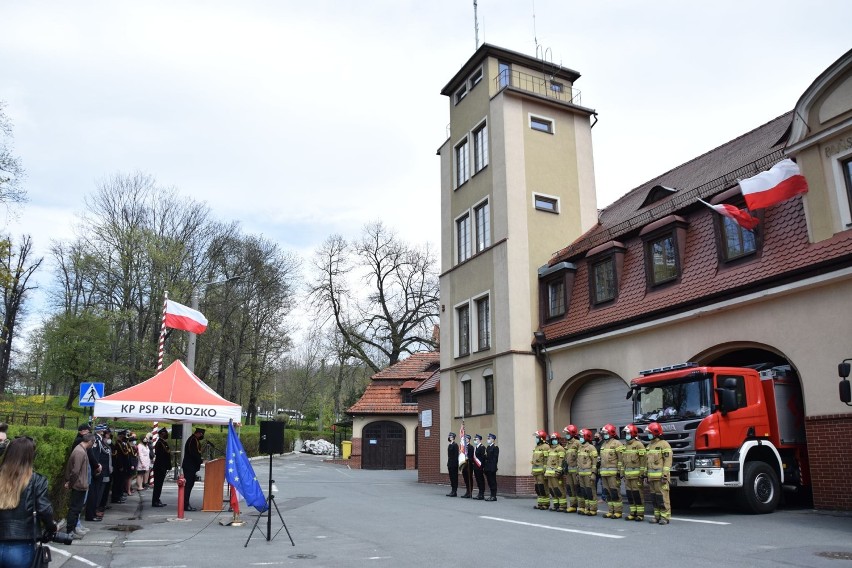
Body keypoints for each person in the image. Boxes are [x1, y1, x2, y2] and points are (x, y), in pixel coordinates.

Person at [0, 437, 57, 568]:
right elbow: (45, 510)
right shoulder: (37, 480)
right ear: (31, 456)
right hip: (21, 545)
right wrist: (51, 528)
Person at [64, 433, 94, 539]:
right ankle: (69, 531)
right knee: (74, 508)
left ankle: (72, 529)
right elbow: (75, 471)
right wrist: (71, 483)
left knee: (77, 509)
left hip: (80, 483)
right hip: (78, 484)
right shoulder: (79, 452)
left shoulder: (80, 450)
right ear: (90, 442)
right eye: (92, 443)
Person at [644, 422, 673, 525]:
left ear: (655, 433)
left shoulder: (664, 444)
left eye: (649, 432)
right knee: (654, 498)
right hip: (651, 478)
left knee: (663, 497)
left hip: (661, 478)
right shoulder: (649, 445)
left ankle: (665, 517)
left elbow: (668, 461)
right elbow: (646, 462)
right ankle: (657, 516)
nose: (648, 434)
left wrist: (665, 475)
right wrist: (646, 475)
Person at [621, 424, 646, 521]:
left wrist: (642, 474)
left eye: (627, 433)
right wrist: (622, 474)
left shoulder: (639, 445)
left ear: (632, 433)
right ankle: (632, 513)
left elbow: (643, 461)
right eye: (625, 433)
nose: (626, 435)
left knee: (637, 494)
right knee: (630, 494)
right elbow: (623, 462)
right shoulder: (625, 446)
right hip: (627, 476)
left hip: (636, 476)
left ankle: (640, 514)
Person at [85, 425, 110, 523]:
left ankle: (93, 512)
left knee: (96, 493)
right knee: (93, 493)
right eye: (103, 430)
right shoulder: (95, 440)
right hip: (96, 470)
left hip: (99, 469)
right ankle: (90, 514)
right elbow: (94, 455)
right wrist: (96, 466)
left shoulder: (99, 440)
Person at [599, 423, 624, 519]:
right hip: (604, 473)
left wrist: (619, 472)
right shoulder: (604, 444)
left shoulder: (617, 443)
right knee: (608, 492)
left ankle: (618, 511)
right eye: (603, 433)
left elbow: (621, 459)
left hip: (613, 474)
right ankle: (611, 510)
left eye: (605, 433)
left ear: (611, 433)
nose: (604, 435)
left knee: (614, 492)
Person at [577, 428, 598, 516]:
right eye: (580, 436)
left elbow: (594, 462)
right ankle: (587, 507)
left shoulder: (591, 447)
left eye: (582, 436)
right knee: (584, 492)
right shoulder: (580, 447)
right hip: (581, 473)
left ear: (586, 436)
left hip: (588, 474)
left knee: (590, 491)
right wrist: (578, 473)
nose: (580, 438)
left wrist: (593, 473)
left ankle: (593, 509)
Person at [182, 427, 205, 511]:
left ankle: (186, 503)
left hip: (191, 466)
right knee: (188, 486)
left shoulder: (194, 439)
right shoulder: (193, 440)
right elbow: (194, 453)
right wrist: (200, 461)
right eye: (201, 434)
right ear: (199, 433)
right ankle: (185, 504)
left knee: (189, 485)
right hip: (189, 466)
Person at [544, 432, 566, 511]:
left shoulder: (560, 449)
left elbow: (561, 461)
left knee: (558, 489)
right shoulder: (550, 449)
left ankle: (562, 505)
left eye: (555, 439)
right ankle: (556, 505)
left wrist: (559, 471)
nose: (554, 441)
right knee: (552, 490)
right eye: (553, 439)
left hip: (556, 474)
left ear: (558, 440)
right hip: (549, 473)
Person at [561, 424, 581, 513]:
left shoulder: (578, 443)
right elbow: (566, 457)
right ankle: (573, 505)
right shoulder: (568, 444)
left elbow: (580, 457)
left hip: (576, 471)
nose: (566, 435)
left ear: (572, 433)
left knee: (578, 488)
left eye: (567, 433)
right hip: (569, 471)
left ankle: (581, 506)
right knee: (570, 488)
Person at [151, 427, 171, 508]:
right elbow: (161, 456)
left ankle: (157, 499)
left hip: (162, 467)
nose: (166, 434)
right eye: (165, 433)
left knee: (159, 485)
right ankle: (155, 501)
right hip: (160, 467)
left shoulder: (163, 443)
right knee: (158, 485)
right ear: (162, 434)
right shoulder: (160, 443)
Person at [111, 430, 131, 504]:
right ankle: (116, 497)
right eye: (123, 436)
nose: (124, 437)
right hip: (119, 466)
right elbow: (119, 456)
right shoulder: (118, 444)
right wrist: (121, 466)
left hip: (123, 465)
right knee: (117, 482)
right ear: (120, 436)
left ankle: (119, 495)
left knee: (121, 482)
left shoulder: (123, 443)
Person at [530, 430, 549, 510]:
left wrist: (545, 470)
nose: (536, 439)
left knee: (543, 487)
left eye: (537, 437)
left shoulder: (545, 447)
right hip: (536, 471)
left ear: (542, 438)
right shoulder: (536, 447)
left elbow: (546, 459)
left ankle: (545, 504)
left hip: (541, 471)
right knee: (538, 487)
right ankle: (540, 503)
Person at [483, 434, 499, 501]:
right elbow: (487, 457)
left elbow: (495, 459)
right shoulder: (488, 447)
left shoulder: (495, 447)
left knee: (493, 481)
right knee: (489, 481)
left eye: (489, 438)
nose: (488, 439)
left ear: (493, 439)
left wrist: (493, 467)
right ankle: (491, 495)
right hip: (487, 467)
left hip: (492, 467)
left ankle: (494, 496)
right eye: (488, 438)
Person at [445, 432, 459, 497]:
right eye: (449, 436)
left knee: (454, 477)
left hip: (454, 463)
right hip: (450, 463)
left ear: (453, 437)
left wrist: (455, 464)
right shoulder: (450, 445)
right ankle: (452, 490)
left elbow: (456, 455)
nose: (449, 437)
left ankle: (454, 491)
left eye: (450, 436)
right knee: (451, 477)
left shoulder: (455, 445)